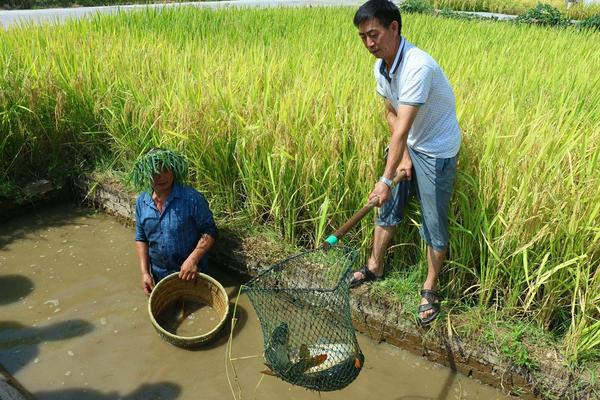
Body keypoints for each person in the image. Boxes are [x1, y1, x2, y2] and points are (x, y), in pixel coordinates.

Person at [351, 0, 461, 326]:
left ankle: (429, 286)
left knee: (433, 221)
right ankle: (375, 265)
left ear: (394, 28)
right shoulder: (382, 66)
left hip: (436, 150)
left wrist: (385, 181)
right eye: (363, 37)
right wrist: (404, 158)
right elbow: (390, 111)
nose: (369, 43)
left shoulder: (417, 66)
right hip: (411, 142)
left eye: (374, 34)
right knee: (388, 207)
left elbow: (403, 126)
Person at [133, 148, 217, 295]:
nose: (161, 176)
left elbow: (210, 231)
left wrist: (192, 260)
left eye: (166, 169)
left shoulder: (191, 198)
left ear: (173, 169)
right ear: (146, 173)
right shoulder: (142, 202)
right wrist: (145, 273)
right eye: (155, 172)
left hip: (192, 274)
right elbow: (141, 238)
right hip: (159, 277)